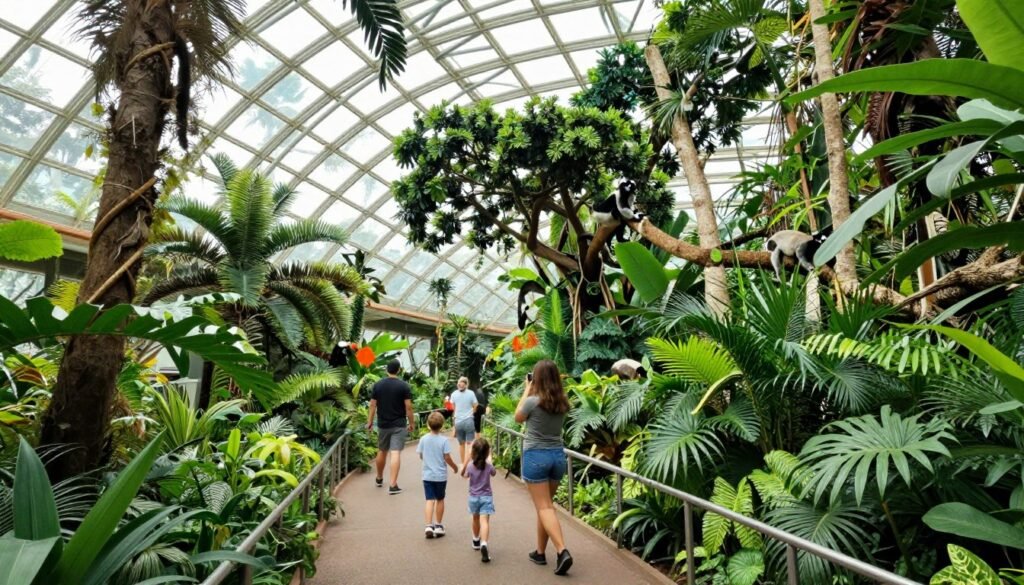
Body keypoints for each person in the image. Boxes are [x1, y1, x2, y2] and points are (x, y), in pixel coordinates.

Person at [515, 360, 573, 576]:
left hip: (536, 457)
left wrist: (526, 390)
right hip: (557, 457)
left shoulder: (533, 401)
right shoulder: (562, 402)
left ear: (536, 378)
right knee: (545, 506)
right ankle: (540, 552)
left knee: (545, 507)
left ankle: (562, 550)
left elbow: (518, 416)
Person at [366, 359, 414, 495]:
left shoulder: (378, 385)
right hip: (399, 424)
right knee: (395, 453)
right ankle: (393, 485)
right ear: (399, 370)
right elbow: (408, 407)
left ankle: (379, 478)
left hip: (383, 424)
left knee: (382, 450)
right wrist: (412, 423)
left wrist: (369, 421)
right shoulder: (404, 386)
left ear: (387, 369)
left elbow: (372, 405)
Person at [417, 411, 459, 539]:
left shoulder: (423, 439)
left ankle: (428, 525)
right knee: (440, 499)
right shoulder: (444, 441)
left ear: (428, 425)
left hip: (427, 475)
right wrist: (455, 467)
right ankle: (439, 526)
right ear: (442, 426)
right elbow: (447, 457)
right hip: (440, 476)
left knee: (430, 500)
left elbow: (420, 455)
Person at [461, 437, 496, 563]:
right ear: (487, 453)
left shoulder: (470, 466)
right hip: (486, 497)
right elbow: (494, 473)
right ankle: (484, 543)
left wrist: (467, 459)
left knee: (475, 519)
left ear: (473, 452)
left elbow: (464, 475)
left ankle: (476, 540)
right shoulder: (488, 466)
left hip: (473, 497)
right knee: (484, 521)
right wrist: (489, 459)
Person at [450, 376, 478, 466]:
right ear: (467, 384)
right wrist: (472, 412)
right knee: (469, 444)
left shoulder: (454, 394)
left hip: (458, 422)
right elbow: (476, 405)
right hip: (469, 421)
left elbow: (453, 409)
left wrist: (454, 422)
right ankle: (469, 464)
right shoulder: (471, 393)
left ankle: (463, 464)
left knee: (461, 444)